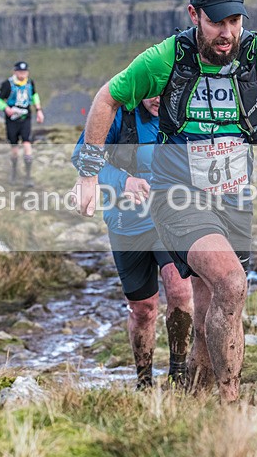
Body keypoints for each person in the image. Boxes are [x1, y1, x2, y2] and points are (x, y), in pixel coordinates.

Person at [72, 0, 257, 402]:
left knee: (209, 305)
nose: (227, 33)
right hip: (177, 195)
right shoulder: (165, 58)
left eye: (235, 22)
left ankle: (198, 397)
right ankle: (231, 405)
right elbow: (106, 98)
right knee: (231, 282)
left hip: (234, 195)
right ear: (194, 15)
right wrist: (90, 173)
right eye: (217, 22)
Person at [72, 96, 194, 390]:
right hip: (127, 226)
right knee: (143, 309)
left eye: (165, 92)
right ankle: (144, 381)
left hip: (170, 220)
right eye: (153, 93)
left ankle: (178, 375)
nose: (159, 100)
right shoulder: (117, 115)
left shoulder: (182, 112)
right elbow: (81, 155)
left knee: (179, 290)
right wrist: (122, 180)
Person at [0, 61, 44, 186]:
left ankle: (28, 176)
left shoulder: (30, 83)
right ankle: (14, 172)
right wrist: (6, 108)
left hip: (25, 118)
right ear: (15, 72)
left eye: (25, 72)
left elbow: (34, 95)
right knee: (14, 147)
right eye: (20, 72)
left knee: (27, 143)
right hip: (11, 120)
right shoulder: (7, 84)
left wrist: (38, 110)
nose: (22, 74)